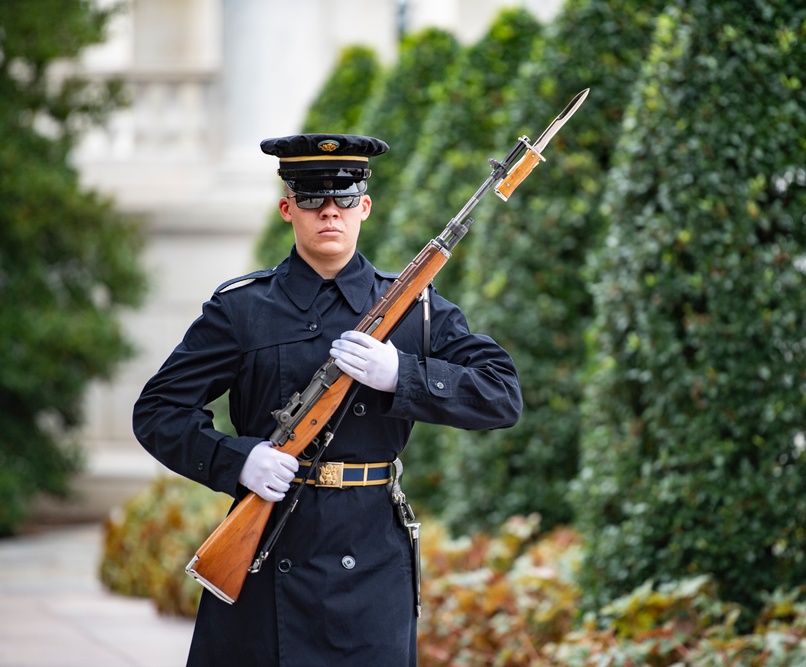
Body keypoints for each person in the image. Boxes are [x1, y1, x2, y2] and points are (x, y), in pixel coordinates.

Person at [133, 133, 523, 666]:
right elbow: (157, 411)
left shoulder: (415, 308)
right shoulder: (242, 308)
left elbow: (502, 394)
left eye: (344, 196)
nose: (329, 212)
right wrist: (238, 460)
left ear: (365, 206)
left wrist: (402, 374)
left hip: (370, 565)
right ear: (286, 208)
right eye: (313, 198)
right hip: (270, 550)